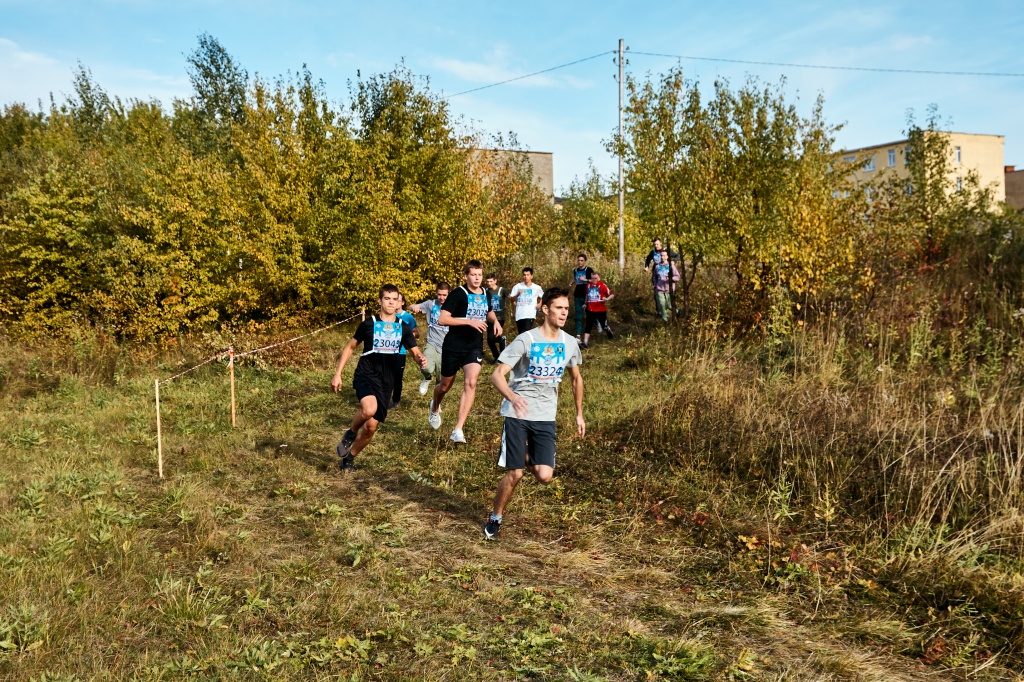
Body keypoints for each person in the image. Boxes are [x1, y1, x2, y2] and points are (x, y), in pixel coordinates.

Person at [483, 287, 585, 540]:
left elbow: (576, 379)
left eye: (566, 308)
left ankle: (520, 454)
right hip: (517, 413)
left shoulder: (570, 343)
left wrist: (579, 414)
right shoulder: (526, 339)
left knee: (545, 475)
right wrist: (513, 397)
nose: (564, 313)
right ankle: (496, 517)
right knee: (515, 473)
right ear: (545, 309)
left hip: (545, 415)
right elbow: (497, 375)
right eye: (559, 308)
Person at [332, 285, 427, 471]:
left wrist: (420, 358)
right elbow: (350, 347)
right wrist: (337, 374)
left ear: (399, 302)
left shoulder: (403, 327)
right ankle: (350, 434)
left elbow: (415, 352)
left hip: (386, 381)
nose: (391, 302)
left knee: (370, 427)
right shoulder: (369, 324)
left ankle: (348, 459)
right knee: (369, 409)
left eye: (394, 299)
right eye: (387, 298)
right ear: (380, 301)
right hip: (366, 374)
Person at [429, 260, 503, 444]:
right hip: (453, 345)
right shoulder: (458, 294)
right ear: (466, 276)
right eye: (473, 275)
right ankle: (435, 406)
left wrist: (496, 322)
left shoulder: (485, 293)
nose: (477, 278)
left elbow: (489, 312)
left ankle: (458, 429)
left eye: (479, 275)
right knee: (444, 386)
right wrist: (469, 321)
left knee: (471, 382)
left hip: (473, 346)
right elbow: (443, 319)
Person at [409, 282, 450, 396]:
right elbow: (410, 306)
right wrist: (414, 307)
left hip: (446, 347)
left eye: (444, 295)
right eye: (439, 294)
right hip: (432, 343)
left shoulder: (453, 307)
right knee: (425, 367)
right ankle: (427, 378)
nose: (441, 298)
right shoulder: (430, 304)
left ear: (449, 294)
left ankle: (436, 402)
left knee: (441, 379)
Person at [390, 294, 419, 408]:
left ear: (402, 302)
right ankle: (383, 398)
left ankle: (395, 400)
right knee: (385, 376)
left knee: (397, 377)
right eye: (394, 300)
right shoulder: (387, 316)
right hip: (386, 351)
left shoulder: (408, 317)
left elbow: (417, 333)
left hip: (400, 352)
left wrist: (405, 334)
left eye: (398, 300)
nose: (395, 302)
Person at [582, 272, 614, 348]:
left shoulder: (602, 286)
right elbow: (587, 295)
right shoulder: (588, 286)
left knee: (604, 326)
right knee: (588, 325)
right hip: (591, 309)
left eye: (595, 278)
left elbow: (612, 294)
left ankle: (608, 331)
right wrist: (585, 303)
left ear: (599, 278)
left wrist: (607, 299)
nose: (594, 280)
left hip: (601, 310)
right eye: (592, 278)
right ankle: (585, 343)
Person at [568, 254, 595, 340]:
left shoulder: (589, 270)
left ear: (585, 261)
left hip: (588, 295)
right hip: (578, 295)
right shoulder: (575, 270)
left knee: (590, 315)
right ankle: (578, 335)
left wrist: (585, 280)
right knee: (578, 316)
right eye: (579, 260)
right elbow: (576, 279)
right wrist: (572, 282)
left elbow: (595, 281)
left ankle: (591, 332)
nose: (580, 262)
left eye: (582, 260)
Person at [509, 267, 543, 334]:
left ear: (531, 276)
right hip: (519, 315)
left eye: (528, 275)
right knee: (521, 335)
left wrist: (540, 304)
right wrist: (518, 294)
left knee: (526, 332)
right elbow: (512, 299)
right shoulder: (517, 287)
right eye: (524, 275)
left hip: (530, 315)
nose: (526, 277)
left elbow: (543, 296)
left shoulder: (536, 287)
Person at [485, 274, 508, 363]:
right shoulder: (485, 291)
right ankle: (496, 357)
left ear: (495, 281)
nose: (489, 283)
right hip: (489, 317)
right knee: (489, 340)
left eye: (491, 281)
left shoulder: (502, 290)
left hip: (500, 317)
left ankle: (502, 356)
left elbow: (511, 298)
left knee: (493, 336)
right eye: (487, 282)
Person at [652, 253, 681, 322]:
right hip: (660, 288)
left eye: (664, 255)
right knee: (661, 305)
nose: (662, 257)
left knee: (669, 305)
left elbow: (677, 276)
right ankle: (665, 320)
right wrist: (655, 285)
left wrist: (671, 278)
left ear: (667, 257)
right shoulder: (657, 266)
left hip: (669, 288)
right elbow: (655, 277)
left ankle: (677, 311)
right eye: (661, 255)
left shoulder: (671, 266)